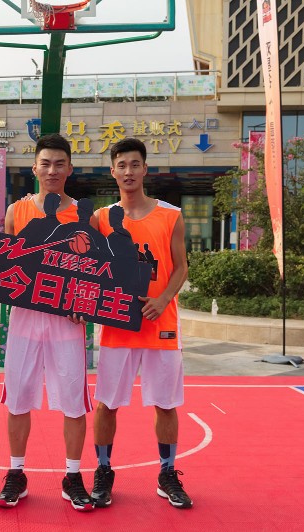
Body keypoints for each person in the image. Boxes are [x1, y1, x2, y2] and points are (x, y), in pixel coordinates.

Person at [90, 137, 191, 509]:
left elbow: (181, 267)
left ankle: (167, 473)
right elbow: (89, 269)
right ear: (113, 171)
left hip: (160, 325)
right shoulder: (101, 218)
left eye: (135, 164)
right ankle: (104, 470)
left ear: (145, 169)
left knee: (165, 404)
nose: (128, 171)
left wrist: (163, 299)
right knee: (107, 404)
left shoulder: (171, 215)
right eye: (122, 165)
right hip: (117, 326)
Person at [0, 133, 94, 512]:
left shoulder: (85, 215)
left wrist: (84, 301)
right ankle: (16, 473)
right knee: (18, 397)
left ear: (70, 169)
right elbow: (7, 264)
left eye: (59, 164)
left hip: (67, 321)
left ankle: (73, 476)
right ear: (34, 168)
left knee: (73, 399)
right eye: (45, 163)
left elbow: (95, 271)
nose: (52, 170)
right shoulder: (16, 211)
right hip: (24, 318)